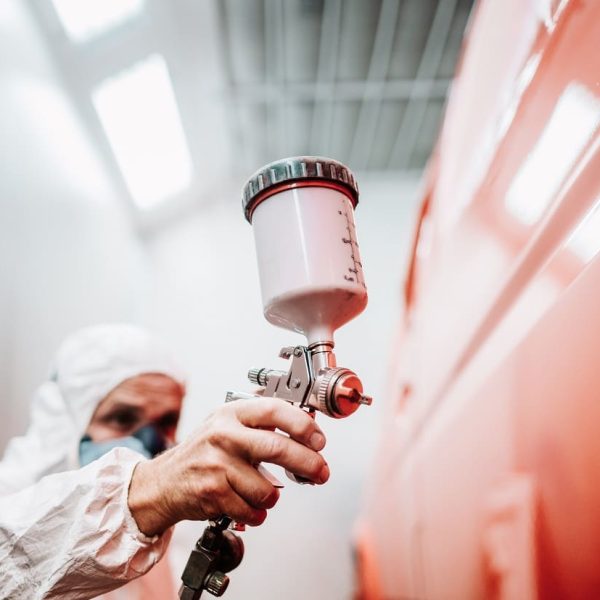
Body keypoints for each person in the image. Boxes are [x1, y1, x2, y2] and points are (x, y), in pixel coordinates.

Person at [0, 325, 328, 599]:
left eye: (165, 421)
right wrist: (151, 489)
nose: (147, 442)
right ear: (66, 424)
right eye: (122, 418)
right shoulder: (12, 504)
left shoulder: (171, 535)